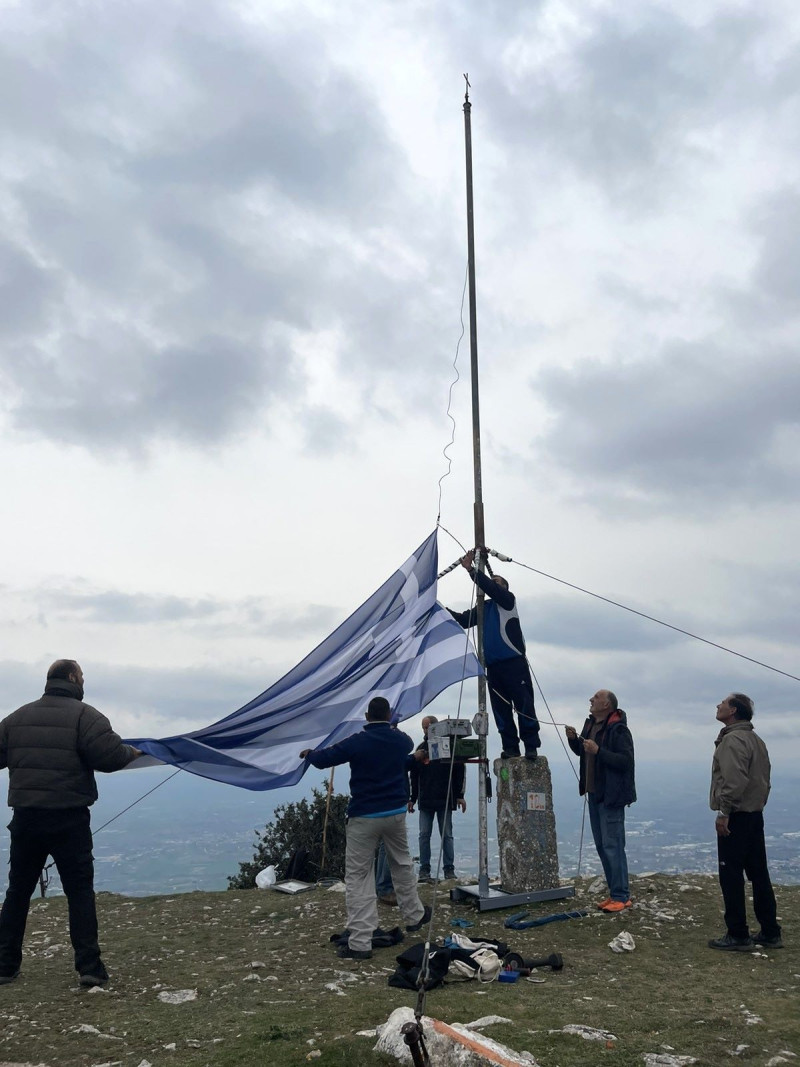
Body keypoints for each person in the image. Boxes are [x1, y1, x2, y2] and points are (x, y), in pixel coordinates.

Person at [0, 660, 142, 987]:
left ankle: (5, 965)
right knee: (79, 892)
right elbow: (109, 757)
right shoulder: (86, 717)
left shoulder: (16, 718)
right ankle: (89, 967)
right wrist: (133, 753)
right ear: (73, 678)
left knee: (18, 892)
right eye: (82, 677)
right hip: (69, 818)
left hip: (26, 817)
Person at [300, 697, 429, 960]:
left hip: (364, 816)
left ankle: (360, 943)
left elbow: (325, 759)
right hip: (395, 814)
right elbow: (398, 760)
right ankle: (414, 915)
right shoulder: (400, 740)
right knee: (402, 864)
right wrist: (413, 757)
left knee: (359, 877)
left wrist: (309, 754)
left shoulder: (357, 741)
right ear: (390, 716)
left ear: (367, 717)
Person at [447, 549, 540, 759]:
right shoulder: (485, 607)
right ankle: (511, 747)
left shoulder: (508, 601)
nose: (494, 583)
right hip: (493, 666)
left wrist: (472, 570)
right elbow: (463, 620)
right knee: (501, 709)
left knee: (523, 704)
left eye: (498, 581)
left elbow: (493, 590)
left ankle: (531, 745)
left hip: (514, 663)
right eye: (493, 581)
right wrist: (441, 608)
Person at [708, 693, 782, 951]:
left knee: (730, 874)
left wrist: (724, 812)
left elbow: (733, 779)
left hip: (737, 816)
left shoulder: (733, 740)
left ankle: (738, 933)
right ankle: (770, 931)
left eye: (723, 703)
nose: (718, 705)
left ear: (734, 711)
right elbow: (764, 778)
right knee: (759, 873)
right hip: (754, 815)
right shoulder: (756, 740)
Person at [566, 689, 635, 913]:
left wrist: (599, 751)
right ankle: (615, 894)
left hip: (611, 796)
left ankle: (621, 896)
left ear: (607, 705)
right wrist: (574, 741)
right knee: (602, 846)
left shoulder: (619, 729)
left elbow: (625, 761)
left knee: (613, 846)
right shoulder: (590, 725)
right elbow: (583, 753)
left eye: (595, 698)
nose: (591, 700)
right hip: (594, 793)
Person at [408, 715, 466, 882]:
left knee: (446, 834)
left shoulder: (447, 746)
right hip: (426, 800)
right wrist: (412, 798)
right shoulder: (421, 749)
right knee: (424, 835)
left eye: (427, 727)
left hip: (445, 798)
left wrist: (459, 796)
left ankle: (449, 870)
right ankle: (424, 871)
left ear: (435, 727)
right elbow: (414, 776)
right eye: (423, 727)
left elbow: (459, 771)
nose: (425, 731)